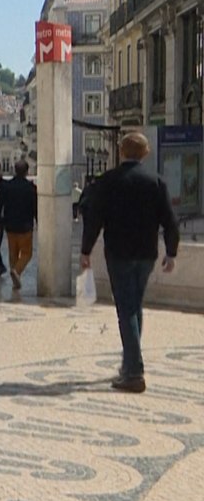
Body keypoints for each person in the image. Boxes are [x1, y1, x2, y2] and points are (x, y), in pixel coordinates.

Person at [80, 132, 179, 393]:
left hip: (119, 252)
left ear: (121, 152)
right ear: (145, 154)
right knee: (134, 306)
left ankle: (134, 373)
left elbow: (94, 218)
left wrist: (85, 250)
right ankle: (131, 363)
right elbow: (170, 220)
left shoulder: (109, 181)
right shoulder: (156, 182)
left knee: (126, 309)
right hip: (147, 253)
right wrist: (171, 252)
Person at [0, 160, 38, 291]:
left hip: (10, 225)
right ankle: (17, 271)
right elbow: (35, 207)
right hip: (25, 225)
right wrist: (38, 221)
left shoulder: (7, 186)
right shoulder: (30, 188)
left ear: (14, 170)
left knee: (13, 253)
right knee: (27, 253)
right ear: (27, 171)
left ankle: (15, 279)